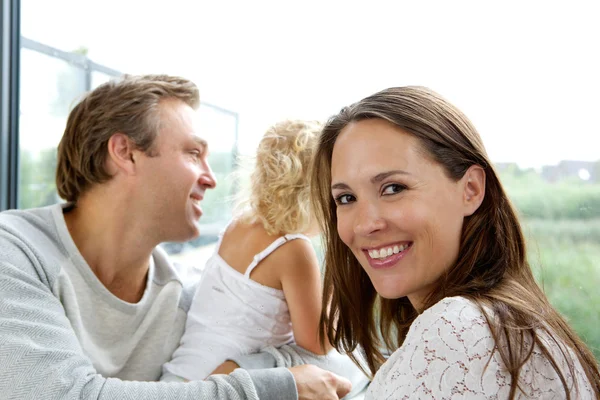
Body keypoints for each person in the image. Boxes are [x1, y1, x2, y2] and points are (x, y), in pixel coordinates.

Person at [0, 74, 355, 400]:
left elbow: (326, 363)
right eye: (193, 153)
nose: (212, 179)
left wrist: (251, 368)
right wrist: (271, 386)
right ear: (125, 153)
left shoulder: (179, 297)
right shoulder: (13, 252)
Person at [310, 86, 600, 399]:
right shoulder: (506, 322)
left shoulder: (456, 330)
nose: (366, 224)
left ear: (471, 189)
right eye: (346, 198)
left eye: (393, 188)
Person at [162, 119, 332, 381]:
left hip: (177, 379)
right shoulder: (294, 250)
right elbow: (317, 344)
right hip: (217, 390)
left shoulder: (239, 224)